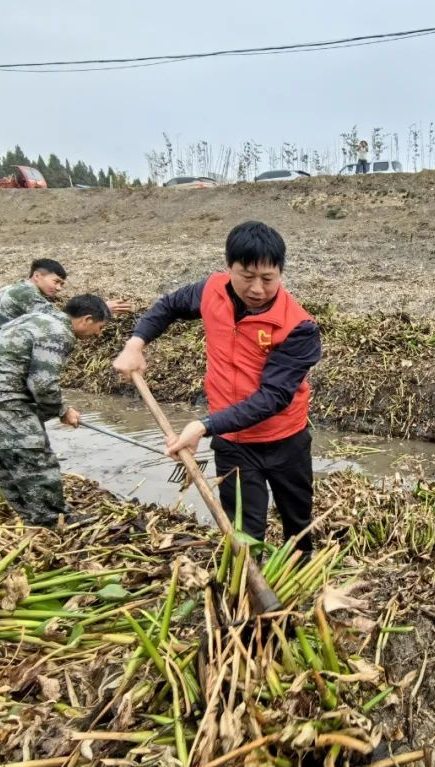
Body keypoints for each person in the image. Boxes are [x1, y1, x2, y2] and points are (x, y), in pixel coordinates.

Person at [112, 221, 322, 554]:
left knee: (297, 523)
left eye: (267, 278)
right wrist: (136, 343)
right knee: (244, 532)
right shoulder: (212, 290)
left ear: (280, 273)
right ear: (229, 269)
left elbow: (273, 398)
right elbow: (168, 306)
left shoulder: (298, 327)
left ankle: (301, 577)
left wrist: (203, 425)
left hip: (285, 440)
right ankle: (247, 592)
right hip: (234, 443)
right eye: (246, 276)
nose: (256, 288)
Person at [0, 295, 111, 528]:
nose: (98, 334)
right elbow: (43, 384)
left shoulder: (38, 318)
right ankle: (54, 520)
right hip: (0, 401)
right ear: (86, 319)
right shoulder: (58, 333)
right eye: (99, 328)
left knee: (3, 462)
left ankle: (30, 517)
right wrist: (62, 411)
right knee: (36, 460)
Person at [0, 259, 132, 353]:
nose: (58, 288)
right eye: (56, 281)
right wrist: (102, 308)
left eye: (62, 284)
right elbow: (58, 320)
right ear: (37, 276)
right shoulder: (26, 293)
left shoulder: (12, 288)